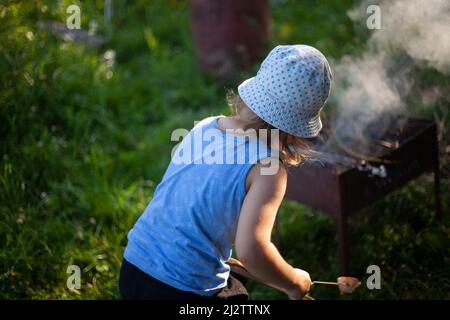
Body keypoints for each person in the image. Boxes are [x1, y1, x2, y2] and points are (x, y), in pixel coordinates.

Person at [119, 44, 332, 300]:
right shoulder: (269, 169)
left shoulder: (207, 126)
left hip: (133, 268)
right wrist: (294, 283)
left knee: (235, 281)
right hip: (181, 288)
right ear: (297, 127)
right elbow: (252, 250)